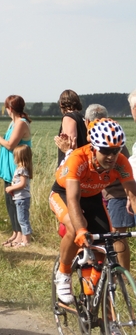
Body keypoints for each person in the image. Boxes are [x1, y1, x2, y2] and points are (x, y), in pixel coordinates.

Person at [50, 118, 136, 304]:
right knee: (74, 228)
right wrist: (81, 230)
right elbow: (73, 199)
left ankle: (96, 300)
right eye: (106, 151)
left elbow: (133, 196)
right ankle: (63, 273)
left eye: (116, 150)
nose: (112, 157)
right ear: (94, 147)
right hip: (64, 194)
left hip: (93, 198)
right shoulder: (78, 159)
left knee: (105, 246)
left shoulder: (121, 163)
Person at [0, 95, 31, 247]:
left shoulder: (21, 123)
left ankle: (20, 235)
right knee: (10, 202)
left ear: (10, 108)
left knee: (16, 201)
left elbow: (10, 145)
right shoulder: (13, 122)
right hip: (10, 166)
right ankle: (15, 233)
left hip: (16, 167)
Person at [5, 144, 33, 247]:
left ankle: (26, 241)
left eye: (15, 156)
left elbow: (22, 184)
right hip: (19, 198)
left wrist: (11, 188)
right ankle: (24, 240)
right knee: (21, 218)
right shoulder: (21, 169)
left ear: (20, 157)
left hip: (22, 198)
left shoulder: (22, 170)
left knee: (23, 219)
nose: (14, 158)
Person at [57, 89, 88, 166]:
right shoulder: (83, 118)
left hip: (72, 166)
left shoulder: (69, 118)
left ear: (61, 104)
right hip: (84, 162)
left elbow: (71, 145)